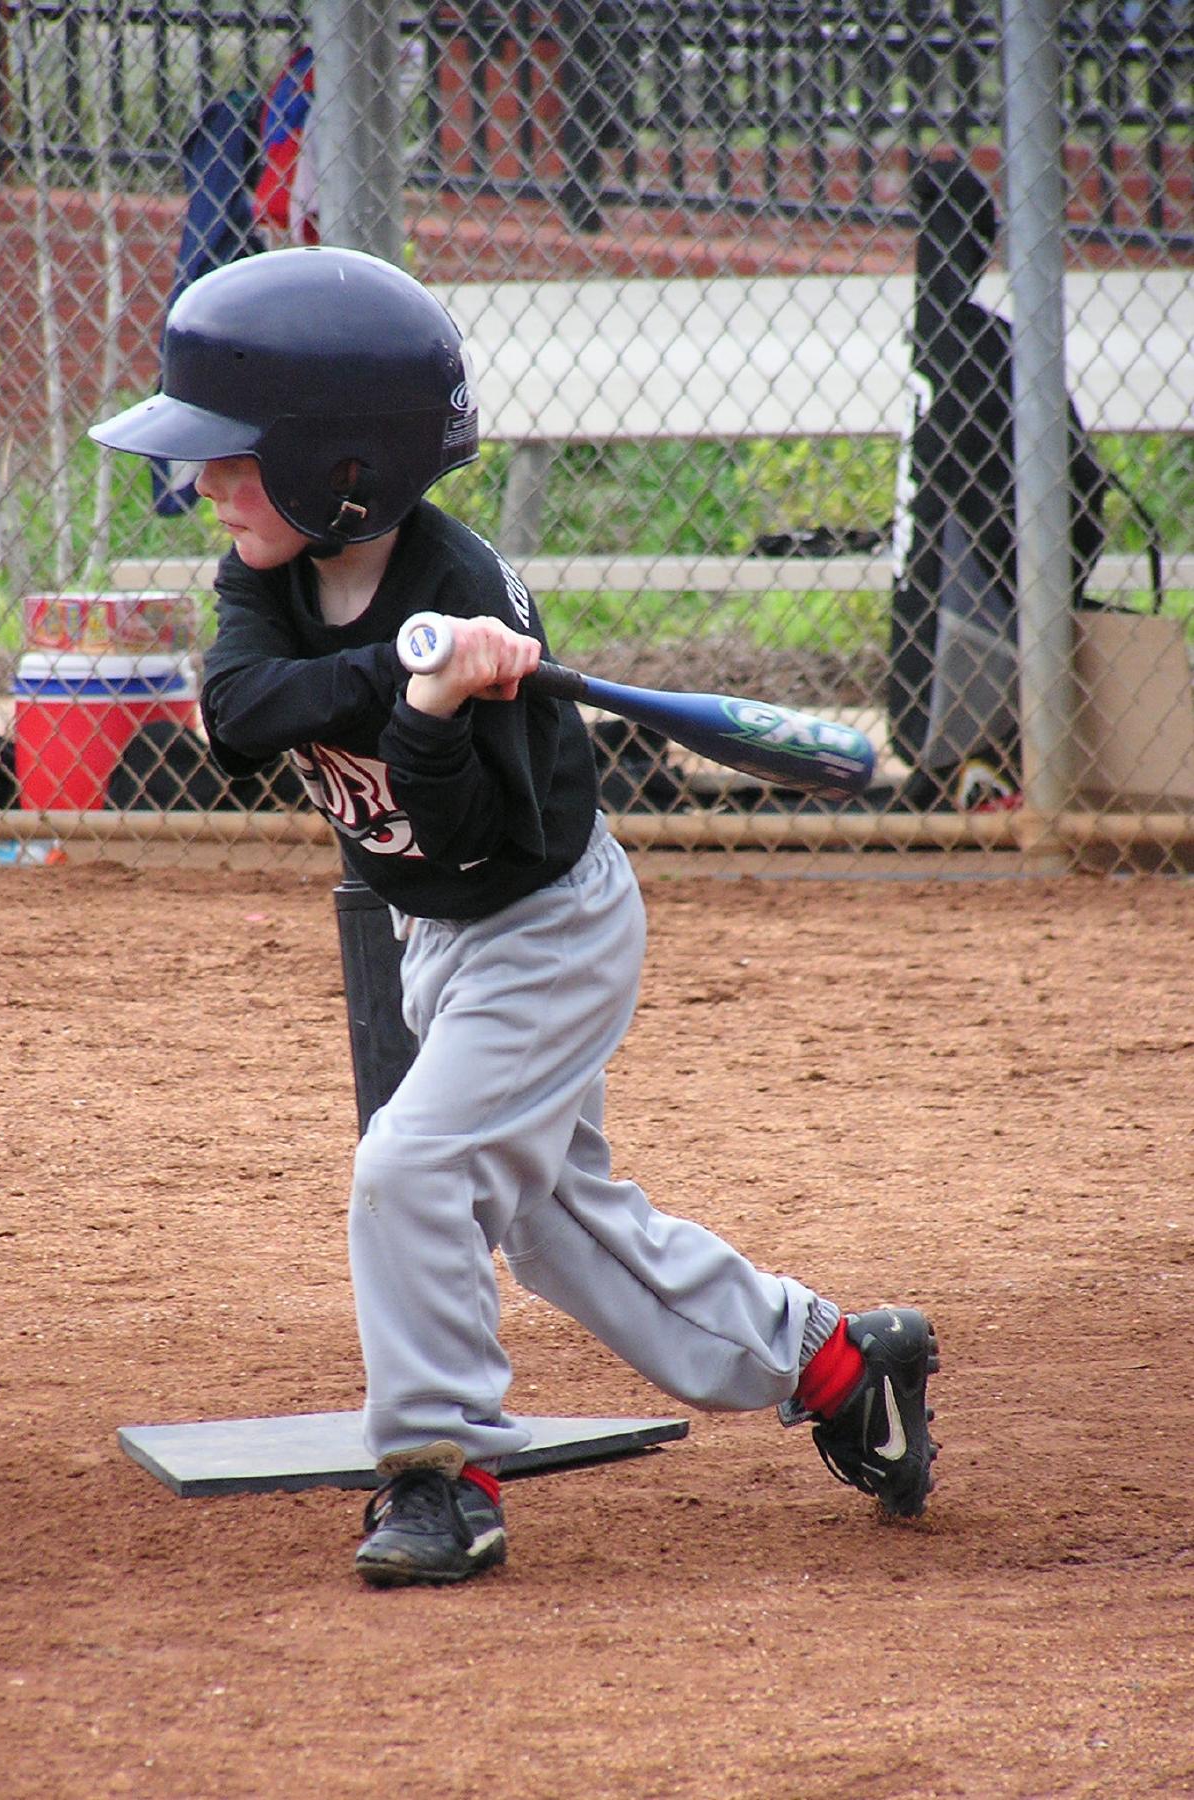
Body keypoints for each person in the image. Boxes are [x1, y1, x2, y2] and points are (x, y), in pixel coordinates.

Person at [90, 247, 940, 1588]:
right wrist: (403, 670)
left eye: (234, 459)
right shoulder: (270, 574)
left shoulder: (467, 592)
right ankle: (835, 1360)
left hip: (545, 931)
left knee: (412, 1172)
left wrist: (433, 711)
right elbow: (240, 715)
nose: (206, 485)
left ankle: (439, 1475)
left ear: (340, 464)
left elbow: (472, 834)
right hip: (441, 937)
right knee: (554, 1223)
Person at [887, 154, 1108, 812]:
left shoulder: (974, 343)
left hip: (966, 652)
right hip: (945, 657)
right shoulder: (977, 342)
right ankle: (982, 759)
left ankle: (989, 757)